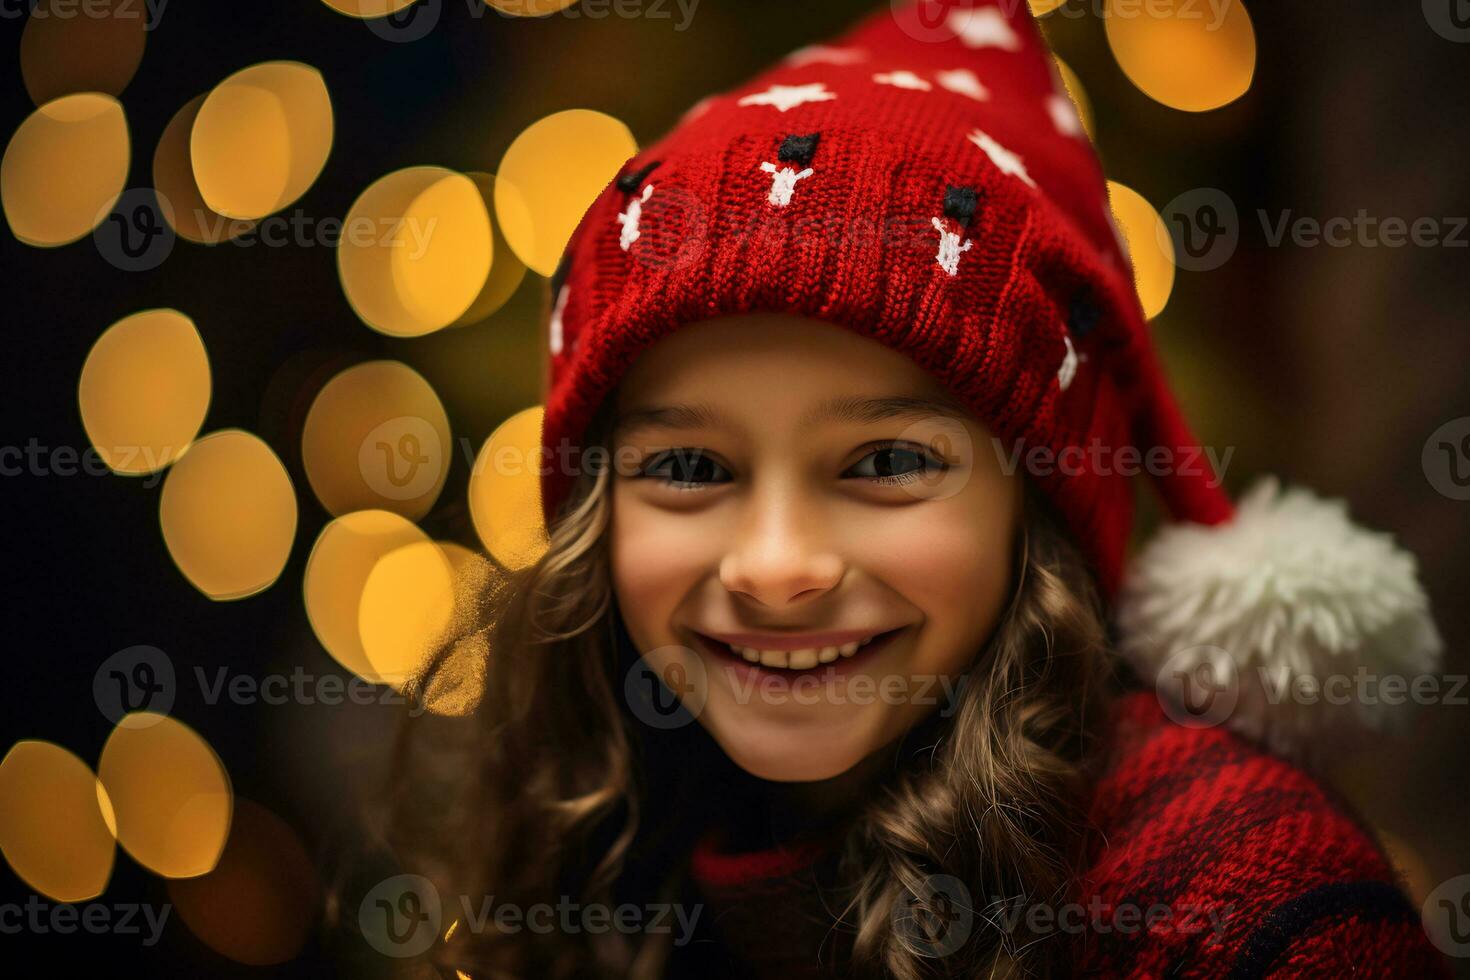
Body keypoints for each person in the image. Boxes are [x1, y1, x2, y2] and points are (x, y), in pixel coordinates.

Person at [392, 1, 1448, 976]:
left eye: (890, 463)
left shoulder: (1247, 901)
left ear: (1035, 505)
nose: (776, 566)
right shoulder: (613, 847)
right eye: (687, 467)